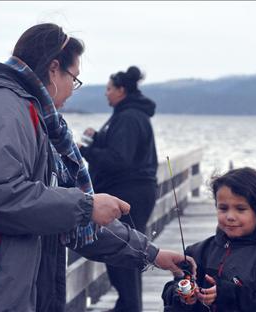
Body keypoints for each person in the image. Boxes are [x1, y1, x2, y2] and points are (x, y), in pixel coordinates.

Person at [0, 23, 193, 312]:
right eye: (74, 79)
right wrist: (86, 205)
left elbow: (62, 215)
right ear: (53, 69)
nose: (73, 91)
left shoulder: (34, 119)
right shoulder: (0, 106)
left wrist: (151, 253)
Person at [161, 167, 256, 312]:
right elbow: (172, 293)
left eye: (240, 209)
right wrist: (180, 295)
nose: (230, 216)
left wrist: (227, 294)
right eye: (223, 208)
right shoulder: (197, 253)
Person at [79, 66, 158, 312]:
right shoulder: (127, 115)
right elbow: (123, 150)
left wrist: (85, 151)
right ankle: (129, 305)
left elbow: (120, 159)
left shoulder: (128, 117)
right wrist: (99, 138)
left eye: (109, 89)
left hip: (129, 193)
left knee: (123, 254)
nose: (106, 94)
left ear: (121, 90)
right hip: (134, 190)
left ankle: (129, 306)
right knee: (129, 253)